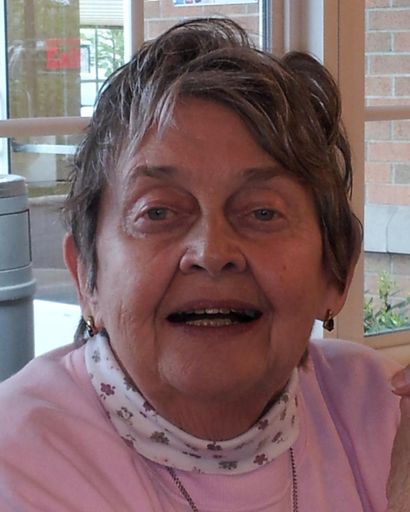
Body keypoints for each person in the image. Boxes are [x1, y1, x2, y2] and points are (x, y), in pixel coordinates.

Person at [0, 17, 408, 512]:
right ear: (87, 276)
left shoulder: (384, 410)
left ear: (336, 270)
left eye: (263, 213)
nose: (212, 253)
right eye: (158, 212)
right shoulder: (17, 460)